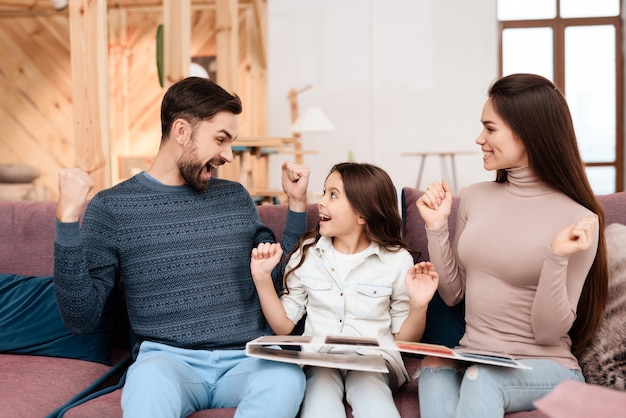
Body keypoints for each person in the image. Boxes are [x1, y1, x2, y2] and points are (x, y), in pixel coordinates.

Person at [53, 76, 310, 418]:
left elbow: (281, 282)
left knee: (287, 376)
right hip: (167, 362)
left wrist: (296, 205)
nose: (227, 156)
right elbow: (81, 319)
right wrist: (67, 222)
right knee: (146, 383)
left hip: (245, 359)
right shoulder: (112, 208)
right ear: (181, 132)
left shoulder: (235, 198)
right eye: (220, 139)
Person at [415, 73, 608, 418]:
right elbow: (452, 294)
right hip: (475, 356)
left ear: (528, 132)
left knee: (481, 378)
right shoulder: (474, 197)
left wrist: (556, 256)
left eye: (490, 129)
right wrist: (436, 227)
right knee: (433, 365)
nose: (479, 139)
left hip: (546, 368)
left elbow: (549, 330)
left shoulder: (580, 219)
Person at [250, 162, 439, 418]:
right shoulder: (307, 252)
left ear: (362, 215)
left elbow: (404, 340)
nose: (321, 202)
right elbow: (283, 326)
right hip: (319, 360)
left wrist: (419, 305)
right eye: (324, 192)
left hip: (374, 362)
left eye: (333, 194)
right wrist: (261, 279)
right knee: (319, 401)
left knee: (372, 397)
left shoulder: (397, 260)